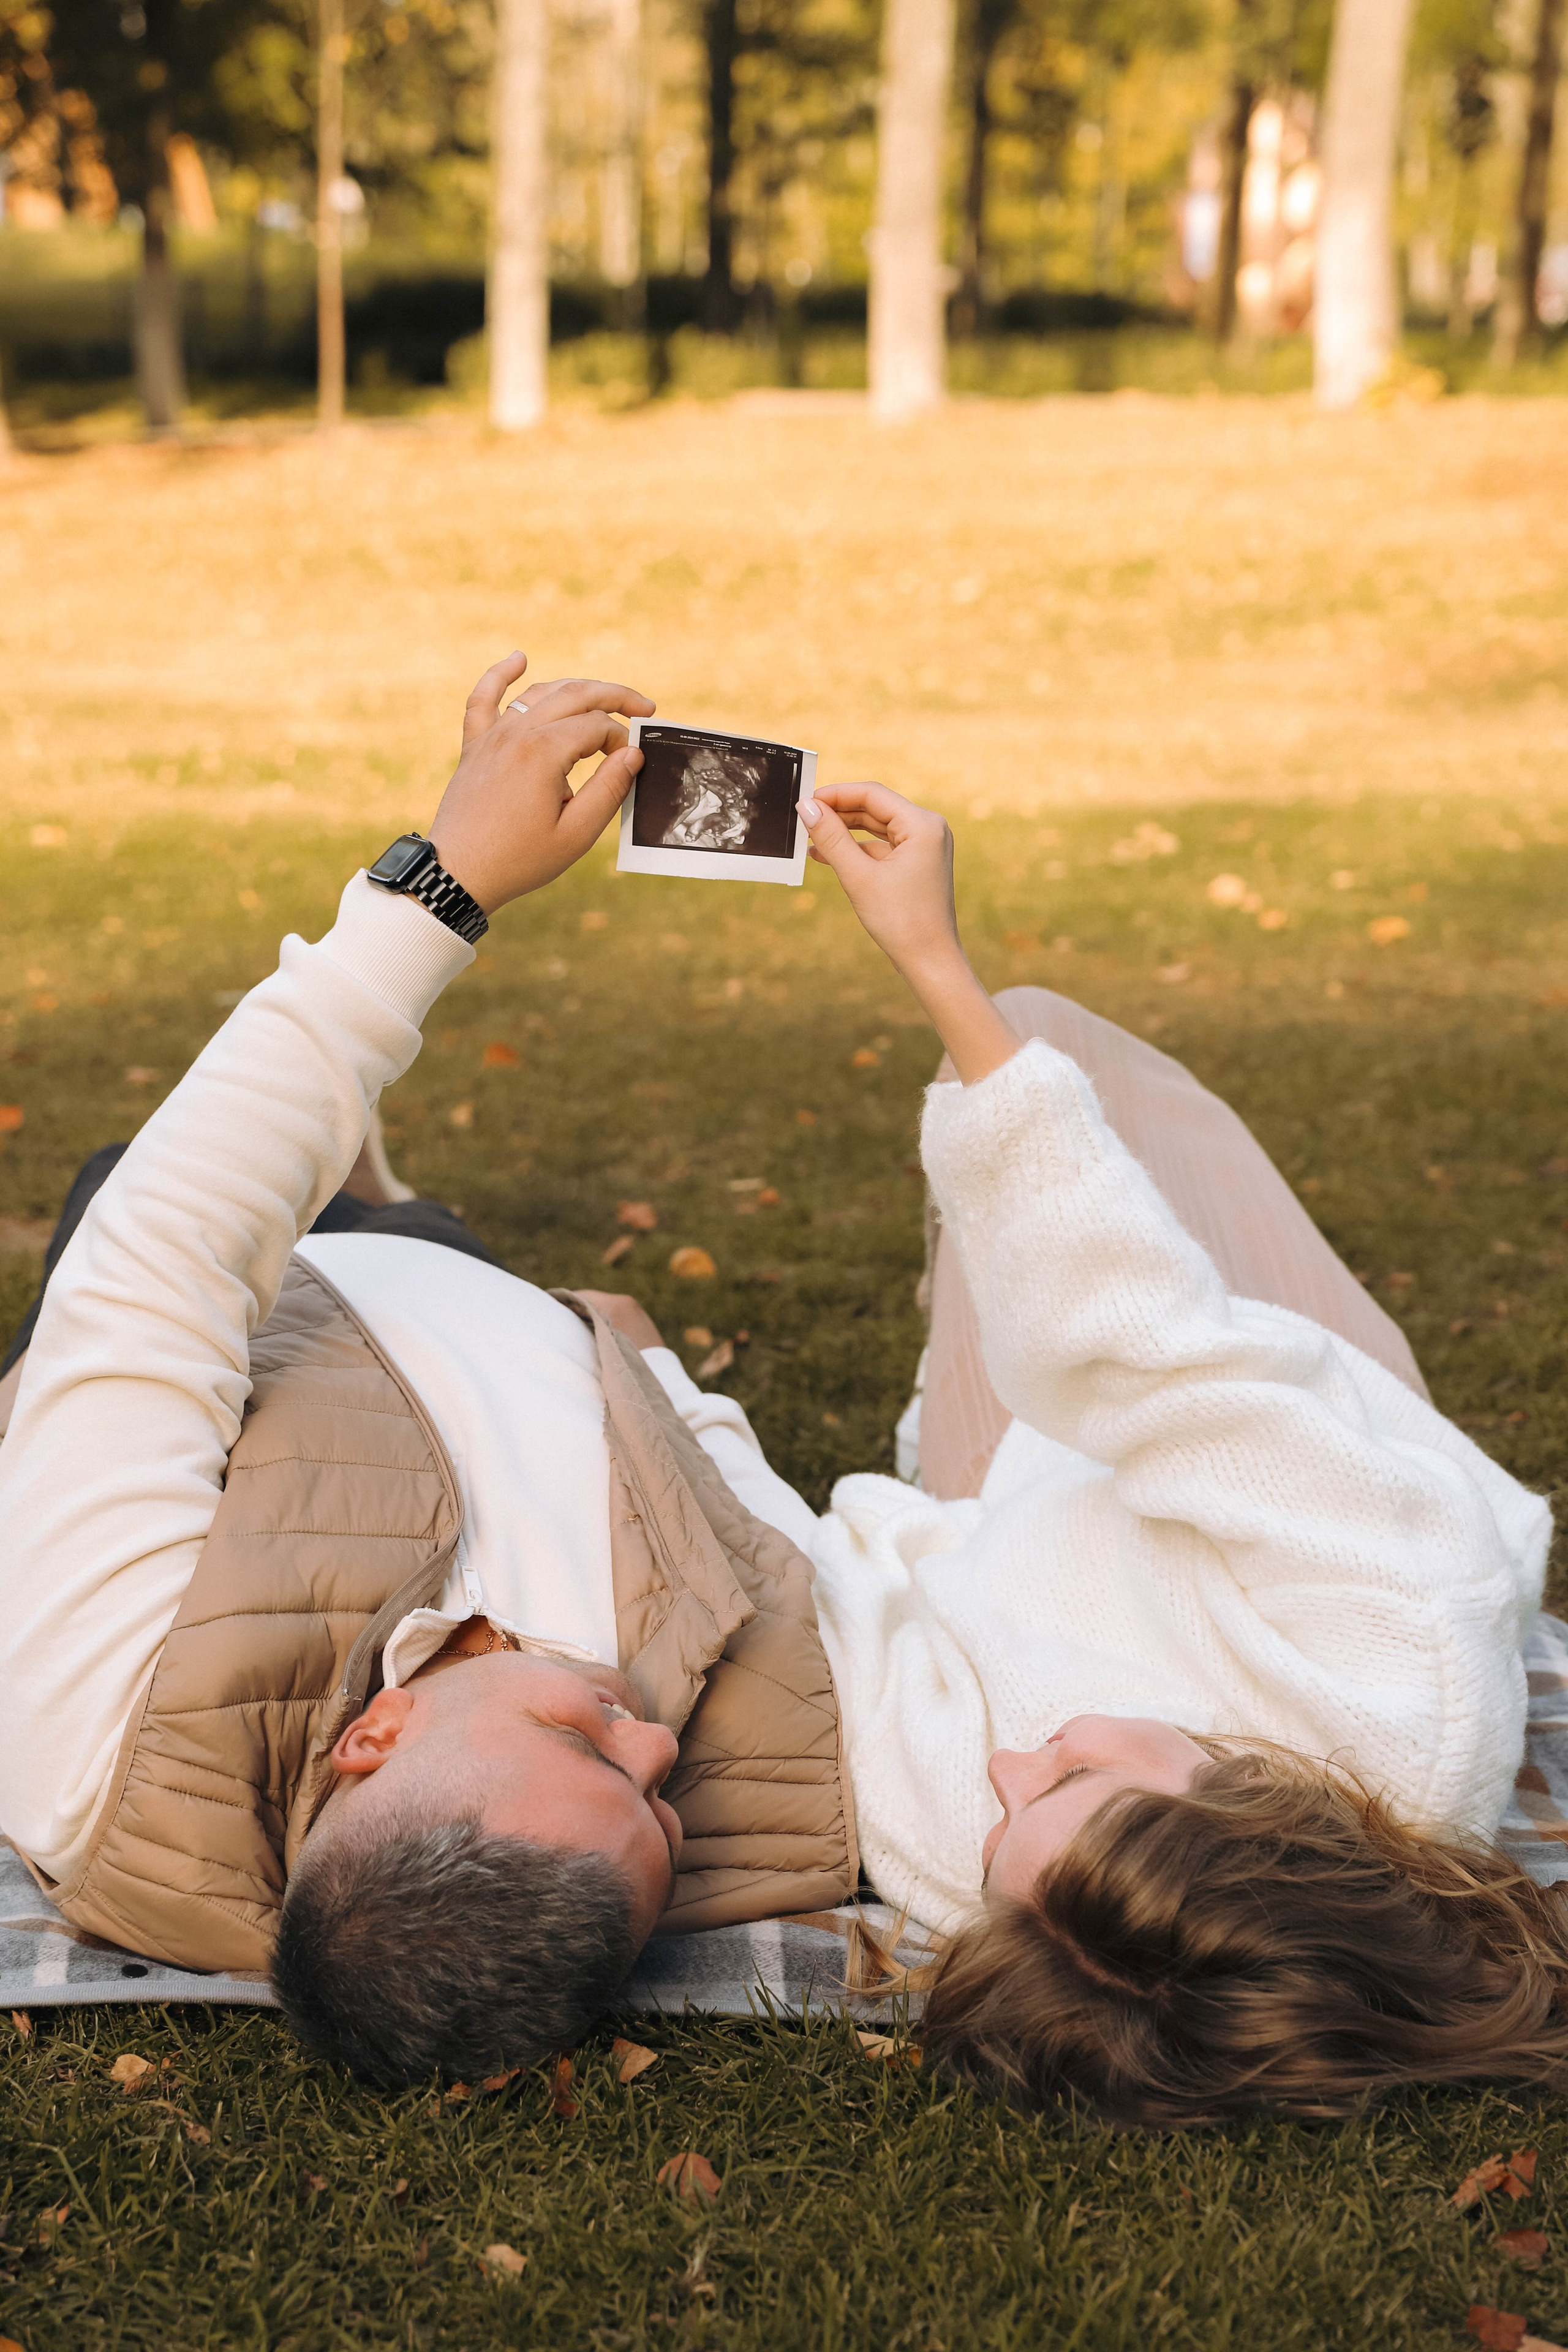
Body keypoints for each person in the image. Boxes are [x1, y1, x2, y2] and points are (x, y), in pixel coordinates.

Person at [0, 652, 1559, 2126]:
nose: (664, 1752)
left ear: (372, 1739)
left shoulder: (93, 1725)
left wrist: (444, 889)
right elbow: (786, 1575)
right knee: (1049, 1065)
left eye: (608, 1765)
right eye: (651, 1805)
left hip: (341, 1334)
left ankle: (374, 1193)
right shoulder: (1352, 1698)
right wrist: (660, 1375)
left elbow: (169, 1262)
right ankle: (386, 1201)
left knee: (145, 1197)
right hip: (499, 1345)